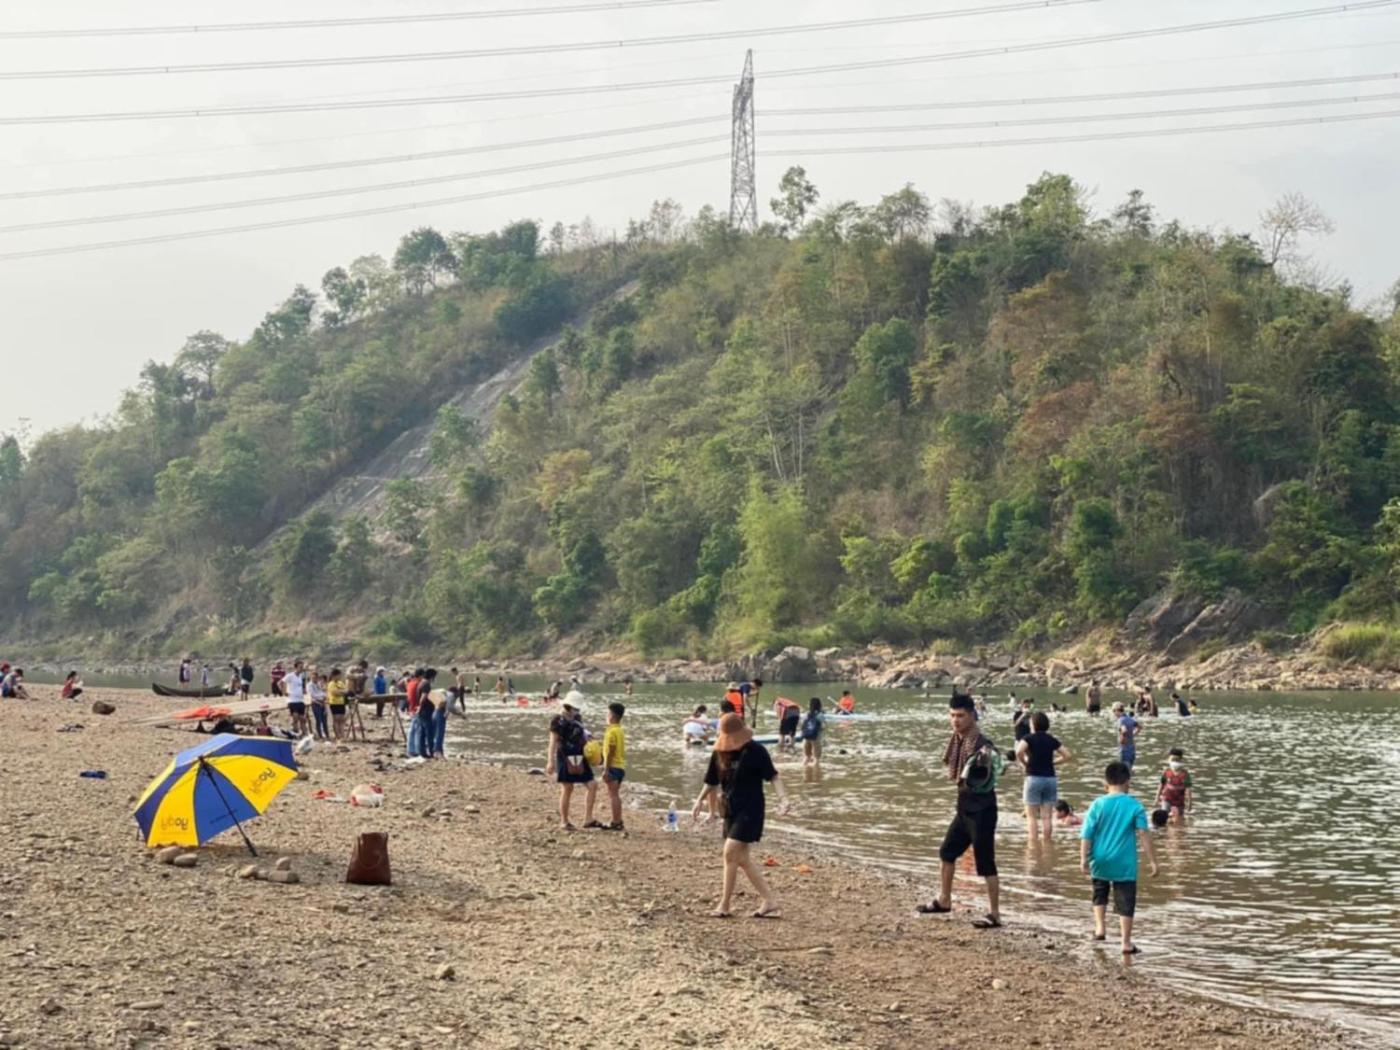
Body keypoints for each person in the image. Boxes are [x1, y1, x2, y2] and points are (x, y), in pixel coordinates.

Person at [918, 693, 1004, 928]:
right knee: (946, 853)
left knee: (986, 863)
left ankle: (995, 914)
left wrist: (986, 761)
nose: (955, 720)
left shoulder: (981, 743)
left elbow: (996, 767)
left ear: (972, 715)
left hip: (983, 811)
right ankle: (944, 900)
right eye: (952, 715)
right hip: (964, 809)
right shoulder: (957, 740)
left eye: (961, 716)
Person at [692, 712, 789, 918]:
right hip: (730, 808)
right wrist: (699, 800)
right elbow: (711, 781)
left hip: (751, 808)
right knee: (741, 859)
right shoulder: (719, 753)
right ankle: (770, 901)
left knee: (729, 852)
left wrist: (783, 800)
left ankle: (724, 905)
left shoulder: (756, 751)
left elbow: (773, 776)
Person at [1080, 760, 1159, 955]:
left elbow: (1087, 834)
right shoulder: (1135, 806)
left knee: (1099, 892)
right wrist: (1152, 861)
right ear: (1128, 782)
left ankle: (1100, 929)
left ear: (1105, 783)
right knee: (1125, 900)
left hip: (1099, 858)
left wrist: (1083, 858)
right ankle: (1125, 942)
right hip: (1124, 862)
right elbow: (1143, 834)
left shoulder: (1097, 804)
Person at [1015, 711, 1072, 841]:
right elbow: (1067, 755)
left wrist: (1025, 763)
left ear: (1033, 725)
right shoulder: (1051, 739)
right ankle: (1047, 842)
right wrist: (1053, 762)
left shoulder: (1029, 738)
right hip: (1050, 779)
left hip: (1033, 777)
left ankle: (1033, 844)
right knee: (1047, 817)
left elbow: (1018, 751)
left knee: (1031, 816)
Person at [548, 700, 597, 830]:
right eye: (576, 708)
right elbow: (552, 742)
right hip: (564, 757)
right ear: (569, 707)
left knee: (592, 785)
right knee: (567, 788)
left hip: (580, 756)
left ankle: (588, 819)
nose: (577, 711)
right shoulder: (557, 720)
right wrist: (550, 761)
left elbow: (582, 735)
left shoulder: (577, 719)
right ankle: (564, 821)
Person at [600, 702, 627, 831]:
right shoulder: (619, 730)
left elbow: (610, 751)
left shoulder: (611, 732)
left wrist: (606, 769)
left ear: (612, 716)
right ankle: (618, 820)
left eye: (608, 713)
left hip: (613, 766)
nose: (606, 716)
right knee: (615, 794)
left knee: (613, 795)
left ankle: (616, 821)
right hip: (620, 766)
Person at [1155, 748, 1193, 823]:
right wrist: (1157, 797)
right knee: (1164, 816)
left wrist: (1190, 803)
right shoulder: (1166, 771)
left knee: (1179, 819)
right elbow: (1161, 784)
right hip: (1167, 799)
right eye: (1172, 760)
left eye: (1177, 760)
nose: (1175, 762)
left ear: (1181, 761)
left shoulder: (1185, 774)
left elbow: (1188, 789)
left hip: (1179, 801)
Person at [1114, 703, 1141, 769]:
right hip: (1132, 750)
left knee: (1123, 771)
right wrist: (1132, 734)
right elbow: (1139, 727)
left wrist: (1122, 740)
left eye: (1114, 711)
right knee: (1129, 770)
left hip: (1124, 751)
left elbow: (1124, 730)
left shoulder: (1120, 720)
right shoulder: (1130, 719)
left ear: (1117, 711)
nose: (1114, 714)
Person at [285, 660, 308, 737]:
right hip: (292, 700)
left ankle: (304, 733)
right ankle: (295, 732)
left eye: (302, 667)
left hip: (300, 700)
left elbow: (303, 685)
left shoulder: (302, 676)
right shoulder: (290, 676)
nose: (301, 669)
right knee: (295, 718)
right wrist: (284, 692)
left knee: (302, 718)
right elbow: (281, 682)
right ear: (296, 668)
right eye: (300, 667)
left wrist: (304, 690)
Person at [409, 690, 435, 758]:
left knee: (420, 733)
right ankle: (431, 752)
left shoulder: (419, 686)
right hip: (425, 712)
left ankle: (420, 752)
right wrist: (420, 707)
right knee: (428, 733)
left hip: (419, 712)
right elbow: (423, 697)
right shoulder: (426, 686)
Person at [801, 698, 825, 767]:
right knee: (816, 758)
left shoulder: (807, 714)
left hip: (806, 737)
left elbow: (802, 725)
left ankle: (804, 770)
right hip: (815, 738)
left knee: (806, 757)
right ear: (819, 705)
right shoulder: (820, 715)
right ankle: (816, 772)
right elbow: (823, 726)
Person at [326, 668, 348, 742]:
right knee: (336, 719)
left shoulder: (340, 683)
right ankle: (337, 736)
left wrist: (341, 692)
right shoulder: (331, 684)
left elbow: (346, 691)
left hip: (341, 703)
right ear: (334, 676)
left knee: (342, 720)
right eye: (338, 675)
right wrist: (342, 692)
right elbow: (335, 693)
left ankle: (342, 735)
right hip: (334, 703)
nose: (339, 677)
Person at [308, 671, 330, 741]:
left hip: (322, 702)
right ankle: (320, 736)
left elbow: (323, 693)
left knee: (324, 720)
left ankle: (327, 735)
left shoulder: (319, 684)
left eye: (316, 678)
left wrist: (324, 700)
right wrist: (319, 699)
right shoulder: (309, 685)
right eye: (313, 678)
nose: (315, 679)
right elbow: (312, 695)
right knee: (318, 720)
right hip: (316, 703)